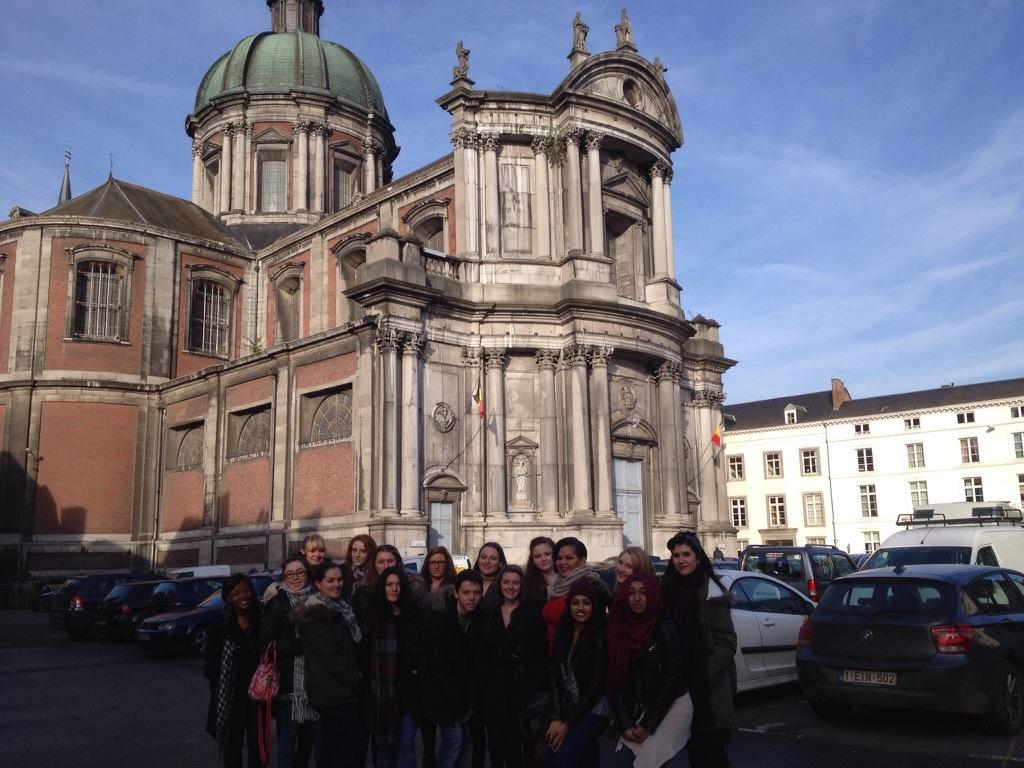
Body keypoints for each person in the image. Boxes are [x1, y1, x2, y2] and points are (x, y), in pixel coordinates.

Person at [661, 531, 737, 768]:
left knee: (711, 753)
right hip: (677, 683)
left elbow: (726, 640)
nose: (681, 560)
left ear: (697, 557)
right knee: (693, 752)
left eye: (686, 554)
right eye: (676, 556)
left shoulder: (712, 591)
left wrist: (707, 673)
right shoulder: (666, 589)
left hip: (705, 686)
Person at [607, 573, 690, 768]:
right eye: (632, 593)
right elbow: (616, 677)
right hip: (640, 709)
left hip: (671, 706)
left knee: (645, 764)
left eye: (643, 593)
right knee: (622, 761)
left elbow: (671, 678)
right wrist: (624, 723)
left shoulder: (663, 627)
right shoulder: (620, 628)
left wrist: (648, 726)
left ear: (652, 595)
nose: (637, 599)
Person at [291, 560, 365, 768]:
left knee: (337, 746)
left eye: (339, 579)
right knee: (346, 745)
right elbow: (329, 657)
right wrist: (354, 679)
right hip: (330, 691)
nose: (337, 584)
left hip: (341, 689)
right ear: (318, 584)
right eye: (330, 581)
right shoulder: (317, 614)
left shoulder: (341, 609)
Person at [477, 565, 546, 768]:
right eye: (506, 582)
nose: (510, 587)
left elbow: (540, 654)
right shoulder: (489, 613)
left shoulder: (534, 613)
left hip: (524, 694)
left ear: (522, 585)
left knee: (524, 751)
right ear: (500, 585)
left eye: (515, 582)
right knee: (498, 749)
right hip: (495, 694)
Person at [258, 556, 320, 768]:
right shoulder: (277, 602)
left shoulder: (318, 598)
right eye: (290, 574)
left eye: (300, 572)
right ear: (284, 576)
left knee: (313, 743)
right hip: (288, 685)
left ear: (307, 573)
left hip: (317, 684)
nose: (296, 577)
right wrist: (303, 646)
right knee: (287, 741)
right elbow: (267, 642)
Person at [360, 566, 424, 768]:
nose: (394, 588)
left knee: (407, 748)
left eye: (398, 585)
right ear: (383, 587)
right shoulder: (373, 616)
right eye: (389, 585)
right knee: (385, 751)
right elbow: (363, 655)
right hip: (382, 695)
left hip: (408, 692)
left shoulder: (412, 615)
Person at [420, 570, 484, 768]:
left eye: (476, 592)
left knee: (467, 743)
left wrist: (470, 703)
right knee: (454, 741)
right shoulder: (439, 621)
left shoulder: (479, 620)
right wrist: (460, 707)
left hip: (466, 696)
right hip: (443, 696)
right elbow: (439, 669)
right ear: (456, 593)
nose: (472, 597)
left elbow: (477, 666)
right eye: (466, 593)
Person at [543, 579, 609, 768]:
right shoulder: (562, 632)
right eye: (575, 602)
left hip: (595, 708)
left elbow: (596, 687)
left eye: (586, 603)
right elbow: (554, 676)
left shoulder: (599, 636)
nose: (580, 608)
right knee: (550, 754)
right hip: (568, 706)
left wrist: (567, 724)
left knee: (565, 756)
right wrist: (556, 717)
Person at [204, 574, 263, 768]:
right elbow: (212, 669)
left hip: (257, 697)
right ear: (228, 597)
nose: (243, 596)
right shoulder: (219, 627)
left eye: (246, 591)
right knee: (232, 748)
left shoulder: (261, 621)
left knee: (258, 747)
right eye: (236, 593)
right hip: (232, 698)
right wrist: (219, 697)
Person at [542, 537, 609, 653]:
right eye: (559, 558)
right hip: (555, 657)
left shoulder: (592, 587)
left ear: (582, 560)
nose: (562, 562)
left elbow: (595, 630)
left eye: (569, 558)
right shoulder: (556, 587)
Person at [341, 533, 377, 601]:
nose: (357, 555)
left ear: (370, 553)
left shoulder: (376, 573)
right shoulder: (342, 571)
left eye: (363, 551)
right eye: (354, 550)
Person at [421, 545, 457, 613]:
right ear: (427, 564)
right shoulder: (418, 587)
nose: (436, 566)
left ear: (447, 564)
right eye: (432, 562)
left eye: (441, 562)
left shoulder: (456, 586)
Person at [523, 536, 556, 605]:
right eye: (537, 556)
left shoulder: (567, 577)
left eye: (547, 554)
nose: (543, 559)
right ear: (533, 560)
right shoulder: (527, 585)